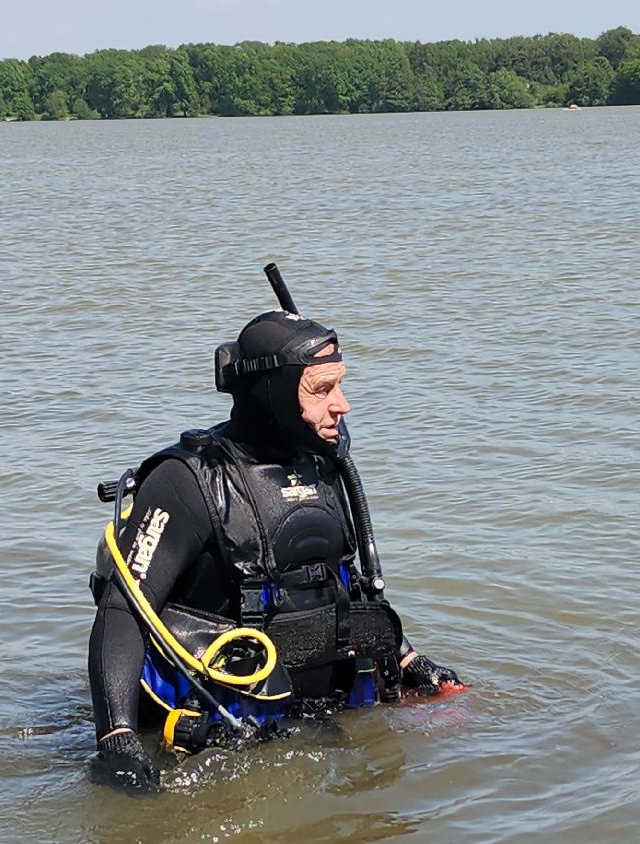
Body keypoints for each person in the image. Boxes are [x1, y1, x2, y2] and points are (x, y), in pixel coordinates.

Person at [87, 301, 463, 791]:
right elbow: (121, 612)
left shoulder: (324, 464)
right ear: (274, 395)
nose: (342, 405)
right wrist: (116, 738)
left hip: (328, 720)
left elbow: (344, 582)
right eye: (322, 389)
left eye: (340, 384)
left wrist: (412, 662)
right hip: (224, 734)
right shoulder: (187, 482)